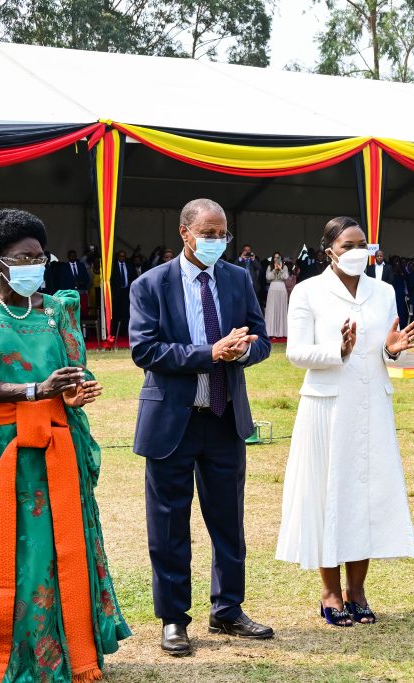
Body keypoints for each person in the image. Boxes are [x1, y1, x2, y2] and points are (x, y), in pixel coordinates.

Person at [0, 209, 129, 681]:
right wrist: (34, 391)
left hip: (56, 444)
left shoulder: (57, 309)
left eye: (41, 257)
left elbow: (73, 374)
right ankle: (4, 654)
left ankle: (66, 653)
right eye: (25, 257)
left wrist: (73, 393)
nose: (36, 266)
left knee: (58, 544)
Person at [129, 198, 273, 657]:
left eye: (222, 234)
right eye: (208, 233)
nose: (216, 241)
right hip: (173, 420)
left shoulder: (235, 277)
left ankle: (228, 609)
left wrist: (243, 350)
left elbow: (261, 339)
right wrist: (208, 353)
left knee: (228, 520)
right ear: (185, 233)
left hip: (224, 416)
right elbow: (145, 351)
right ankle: (174, 618)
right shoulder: (151, 284)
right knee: (169, 524)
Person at [276, 216, 414, 627]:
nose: (358, 252)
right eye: (348, 246)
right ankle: (329, 590)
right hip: (327, 407)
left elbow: (387, 350)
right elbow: (296, 353)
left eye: (363, 245)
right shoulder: (307, 291)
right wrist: (336, 349)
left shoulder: (385, 291)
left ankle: (357, 589)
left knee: (367, 494)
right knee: (330, 493)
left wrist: (393, 351)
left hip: (372, 404)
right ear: (329, 252)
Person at [265, 251, 290, 339]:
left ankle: (282, 332)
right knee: (272, 309)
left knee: (281, 309)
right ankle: (271, 332)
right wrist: (274, 269)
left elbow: (286, 277)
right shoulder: (269, 266)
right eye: (275, 257)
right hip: (273, 288)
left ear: (280, 258)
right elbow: (268, 277)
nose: (276, 259)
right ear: (273, 258)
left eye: (278, 257)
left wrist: (281, 269)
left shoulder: (285, 267)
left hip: (282, 288)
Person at [109, 250, 133, 339]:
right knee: (116, 313)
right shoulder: (113, 267)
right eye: (121, 256)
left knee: (126, 313)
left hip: (127, 292)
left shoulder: (129, 266)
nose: (122, 258)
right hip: (117, 293)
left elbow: (133, 278)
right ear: (117, 257)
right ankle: (115, 332)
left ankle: (126, 332)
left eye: (124, 256)